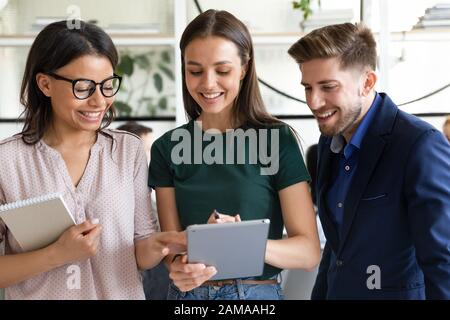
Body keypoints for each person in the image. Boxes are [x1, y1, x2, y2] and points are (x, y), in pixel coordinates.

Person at [0, 20, 185, 299]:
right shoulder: (7, 161)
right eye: (84, 87)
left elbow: (141, 253)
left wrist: (162, 244)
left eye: (107, 85)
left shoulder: (127, 150)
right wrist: (56, 254)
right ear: (45, 84)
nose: (99, 101)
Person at [148, 9, 320, 300]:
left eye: (222, 70)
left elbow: (308, 252)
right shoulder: (167, 148)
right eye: (195, 71)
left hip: (254, 296)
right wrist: (179, 269)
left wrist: (242, 241)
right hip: (189, 299)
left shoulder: (277, 141)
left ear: (244, 68)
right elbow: (173, 255)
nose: (208, 84)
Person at [288, 22, 450, 299]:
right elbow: (338, 248)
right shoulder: (330, 140)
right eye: (307, 88)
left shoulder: (419, 145)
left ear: (367, 82)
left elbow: (444, 261)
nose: (314, 102)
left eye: (328, 87)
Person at [116, 121, 170, 300]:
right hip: (141, 267)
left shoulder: (152, 192)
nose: (148, 157)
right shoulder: (118, 194)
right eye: (145, 151)